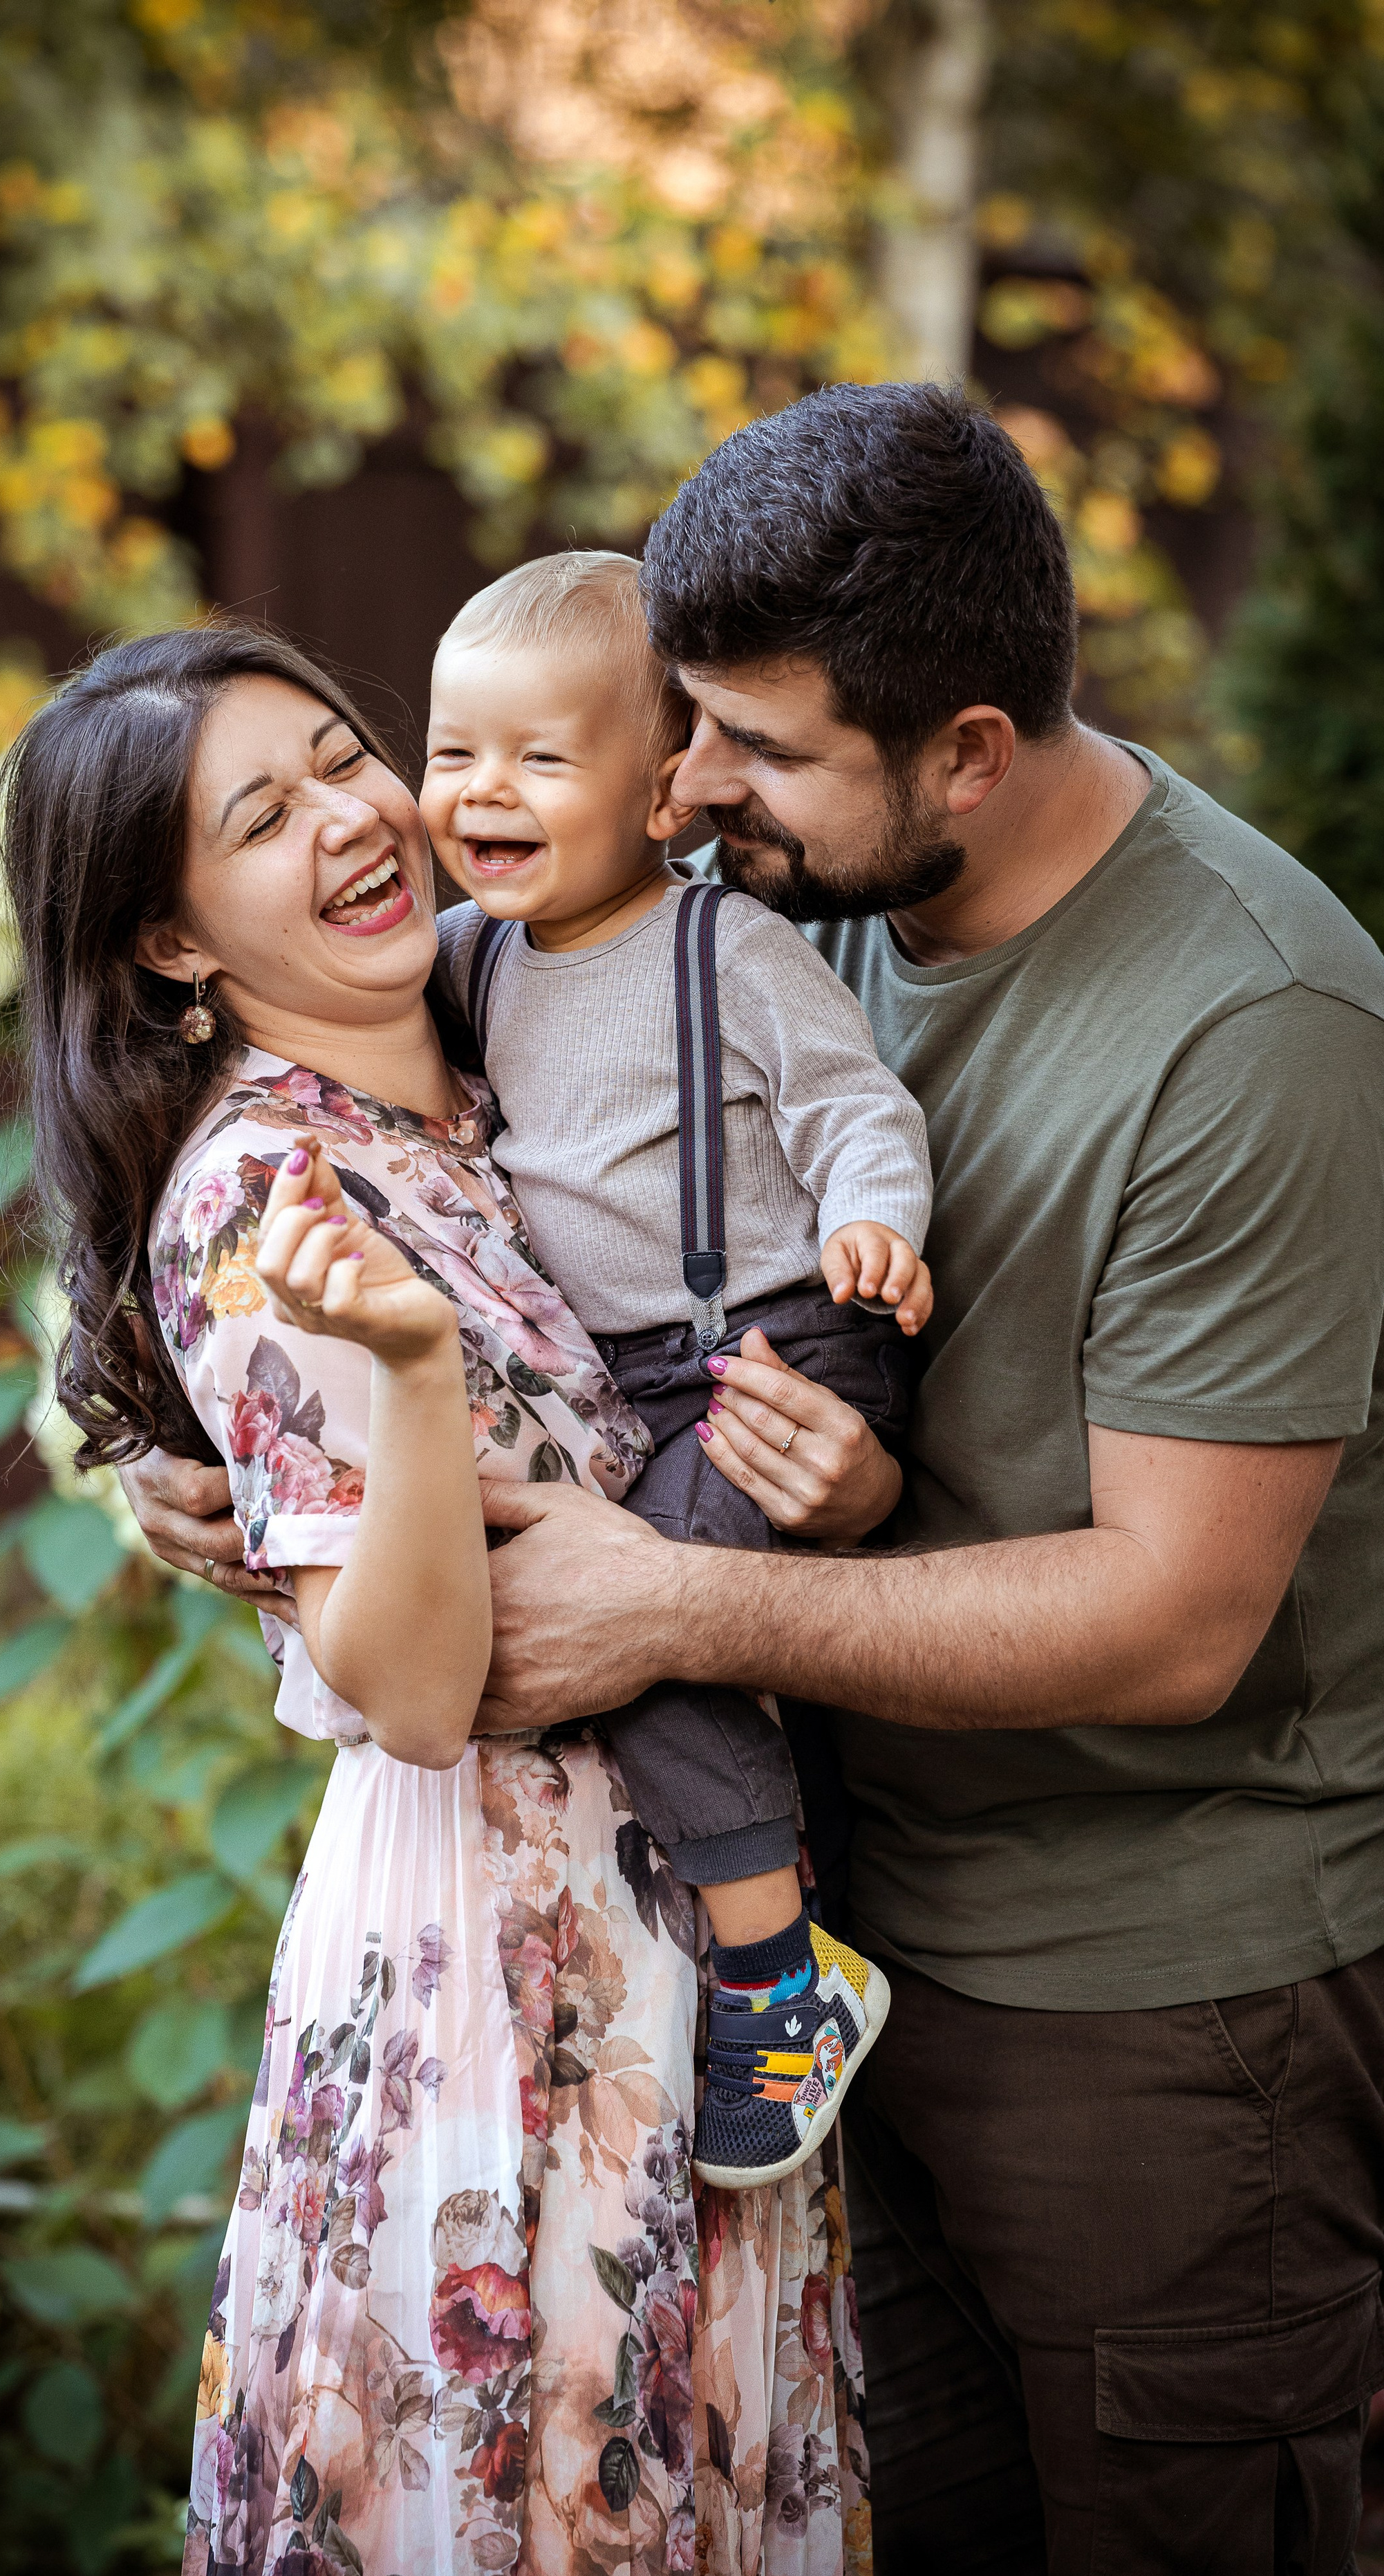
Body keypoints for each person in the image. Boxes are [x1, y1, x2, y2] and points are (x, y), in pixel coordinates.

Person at [122, 386, 1384, 2576]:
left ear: (966, 750)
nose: (691, 789)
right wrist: (241, 1450)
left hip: (1160, 1988)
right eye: (686, 732)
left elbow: (1174, 1623)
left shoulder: (1250, 1033)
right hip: (850, 1926)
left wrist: (674, 1596)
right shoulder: (783, 896)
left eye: (749, 745)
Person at [0, 620, 871, 2576]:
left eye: (338, 756)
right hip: (500, 1974)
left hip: (695, 1966)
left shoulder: (503, 1056)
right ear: (169, 946)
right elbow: (401, 1687)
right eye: (262, 815)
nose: (354, 817)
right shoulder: (267, 1189)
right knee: (539, 2560)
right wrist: (396, 1372)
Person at [424, 546, 931, 2189]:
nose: (479, 793)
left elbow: (855, 1108)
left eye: (536, 760)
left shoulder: (725, 951)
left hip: (776, 1345)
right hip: (629, 1378)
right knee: (606, 1616)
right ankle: (747, 1936)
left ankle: (781, 1979)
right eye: (451, 755)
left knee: (659, 1623)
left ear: (661, 798)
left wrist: (870, 1219)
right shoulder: (470, 960)